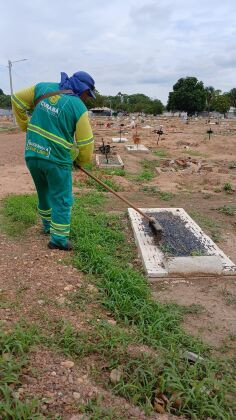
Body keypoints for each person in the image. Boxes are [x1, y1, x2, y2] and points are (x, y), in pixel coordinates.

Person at [11, 71, 95, 251]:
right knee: (62, 199)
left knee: (44, 193)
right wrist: (79, 160)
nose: (88, 98)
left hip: (32, 154)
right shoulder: (78, 107)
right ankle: (58, 239)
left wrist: (24, 125)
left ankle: (47, 226)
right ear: (83, 89)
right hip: (56, 161)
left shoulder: (42, 87)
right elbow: (86, 145)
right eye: (88, 94)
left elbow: (16, 98)